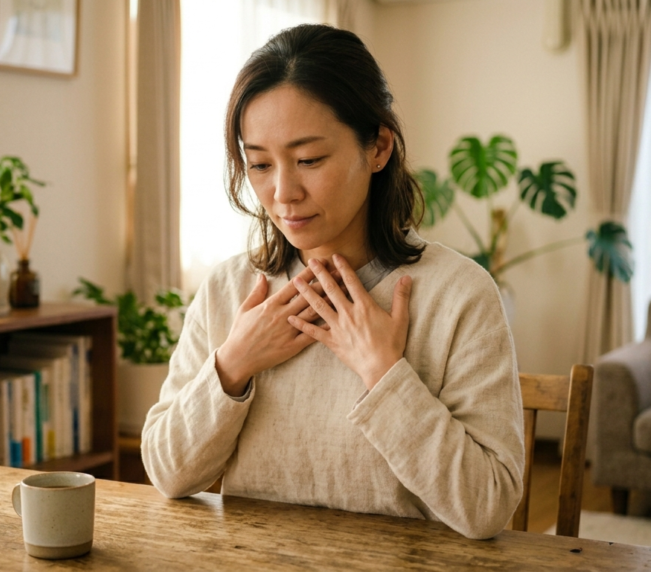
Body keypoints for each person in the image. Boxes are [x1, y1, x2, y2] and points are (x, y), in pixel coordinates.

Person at [141, 24, 524, 540]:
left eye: (309, 160)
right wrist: (234, 364)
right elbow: (167, 473)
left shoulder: (459, 295)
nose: (282, 193)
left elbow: (487, 507)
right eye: (258, 164)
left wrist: (384, 372)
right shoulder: (230, 288)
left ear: (379, 148)